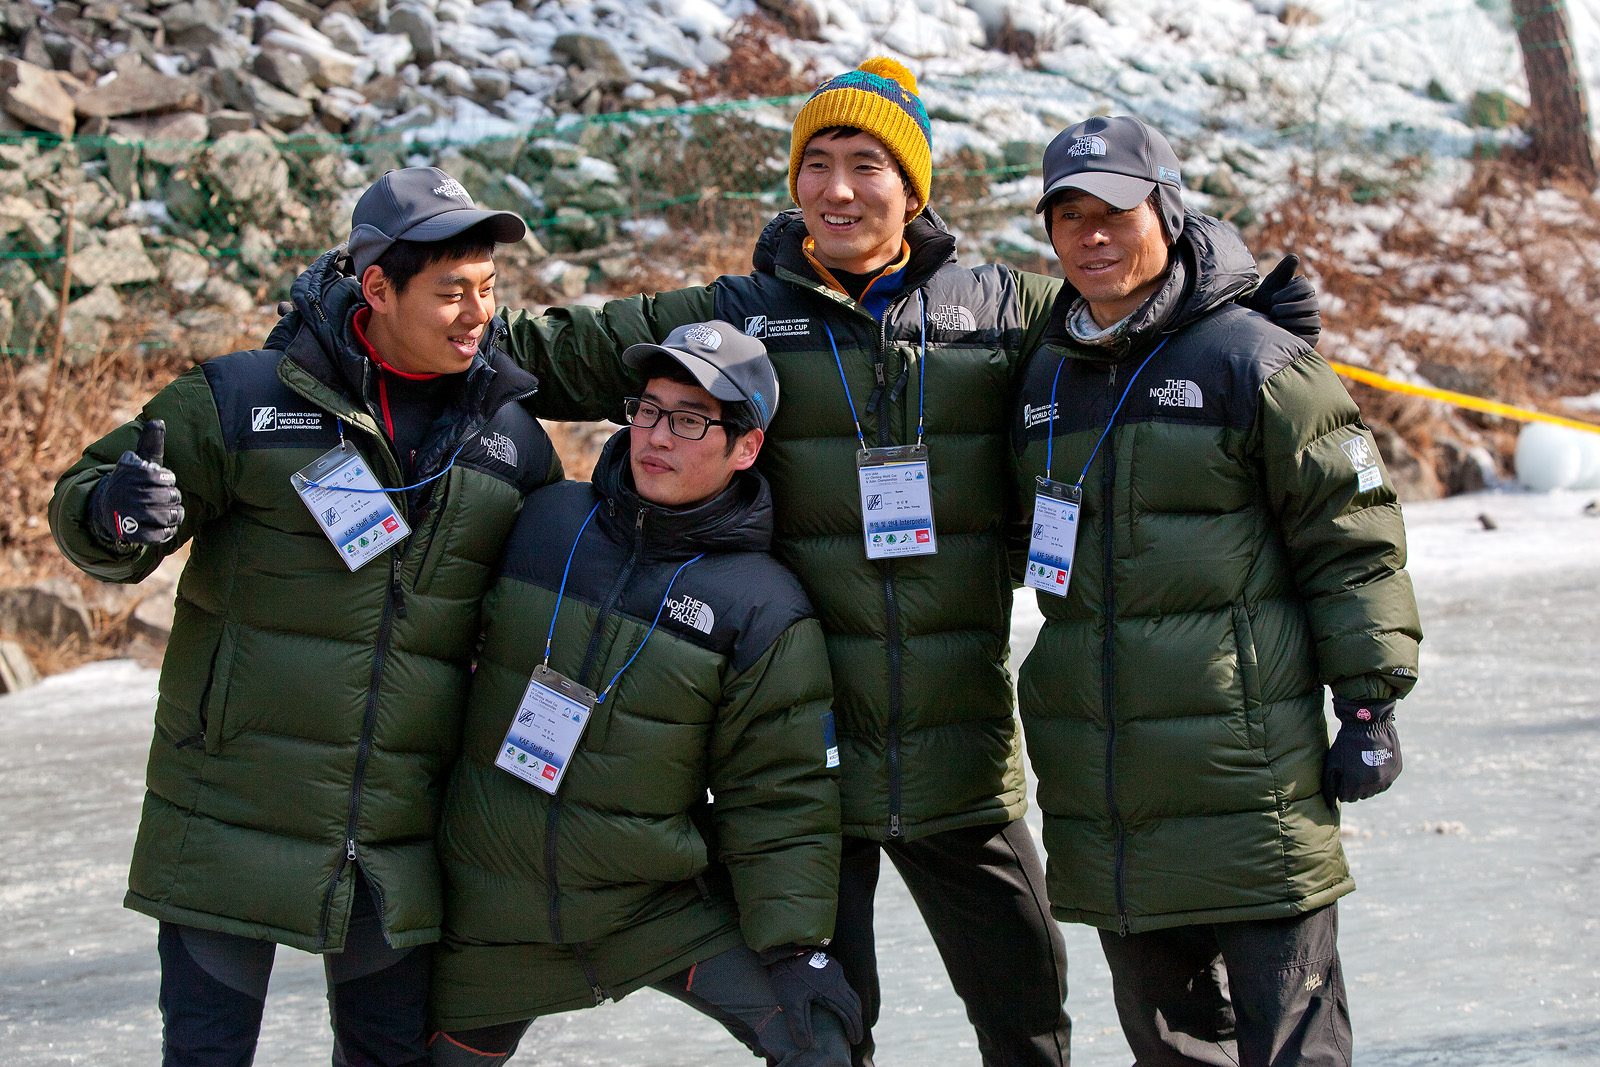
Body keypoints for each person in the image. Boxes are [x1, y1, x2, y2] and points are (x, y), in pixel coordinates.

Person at [489, 59, 1317, 1067]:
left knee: (1026, 1011)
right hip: (800, 761)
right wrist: (397, 311)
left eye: (867, 165)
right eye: (818, 163)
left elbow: (1137, 315)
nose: (837, 189)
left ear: (914, 188)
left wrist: (1243, 323)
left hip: (957, 755)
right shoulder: (740, 317)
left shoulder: (1005, 311)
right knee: (825, 1027)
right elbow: (550, 351)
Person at [48, 167, 563, 1065]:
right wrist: (114, 511)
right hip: (228, 812)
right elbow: (91, 502)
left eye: (488, 288)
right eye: (452, 292)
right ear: (377, 288)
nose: (478, 313)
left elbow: (546, 604)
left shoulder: (509, 436)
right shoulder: (245, 400)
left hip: (394, 838)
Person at [1010, 115, 1422, 1066]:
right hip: (1111, 795)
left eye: (1114, 211)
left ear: (1167, 210)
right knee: (1173, 1048)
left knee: (1293, 1048)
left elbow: (1352, 537)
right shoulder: (1044, 376)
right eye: (1068, 216)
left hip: (1250, 785)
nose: (1091, 235)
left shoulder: (1253, 359)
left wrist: (1369, 701)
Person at [424, 321, 858, 1066]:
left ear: (746, 447)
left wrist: (794, 946)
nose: (656, 435)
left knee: (816, 1039)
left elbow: (780, 790)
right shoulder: (543, 521)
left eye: (690, 421)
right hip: (489, 920)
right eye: (649, 409)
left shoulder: (760, 604)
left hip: (652, 912)